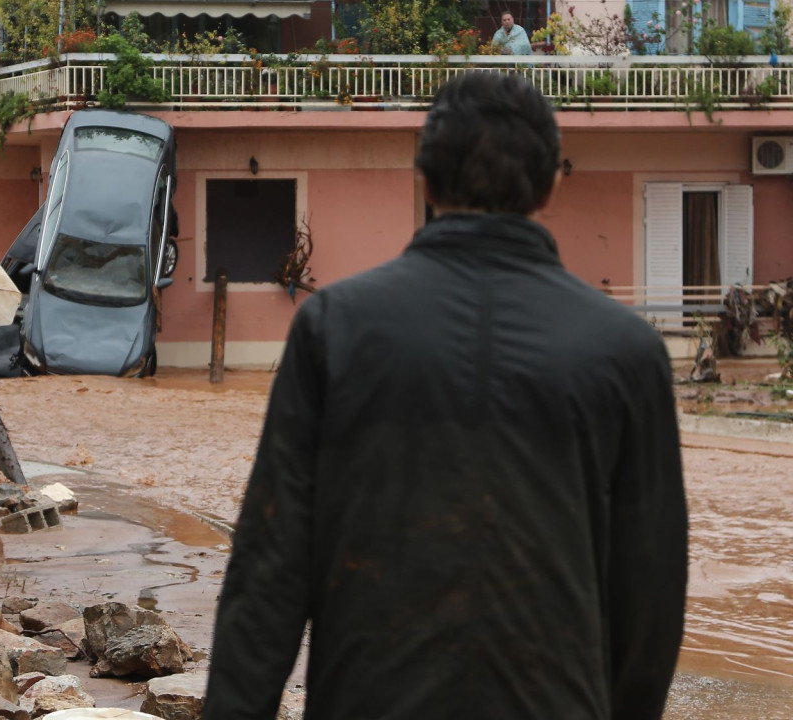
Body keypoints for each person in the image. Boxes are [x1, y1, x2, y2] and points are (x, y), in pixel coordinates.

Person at [201, 72, 688, 720]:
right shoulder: (628, 351)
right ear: (552, 185)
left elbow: (270, 567)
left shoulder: (334, 328)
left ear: (425, 179)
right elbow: (650, 592)